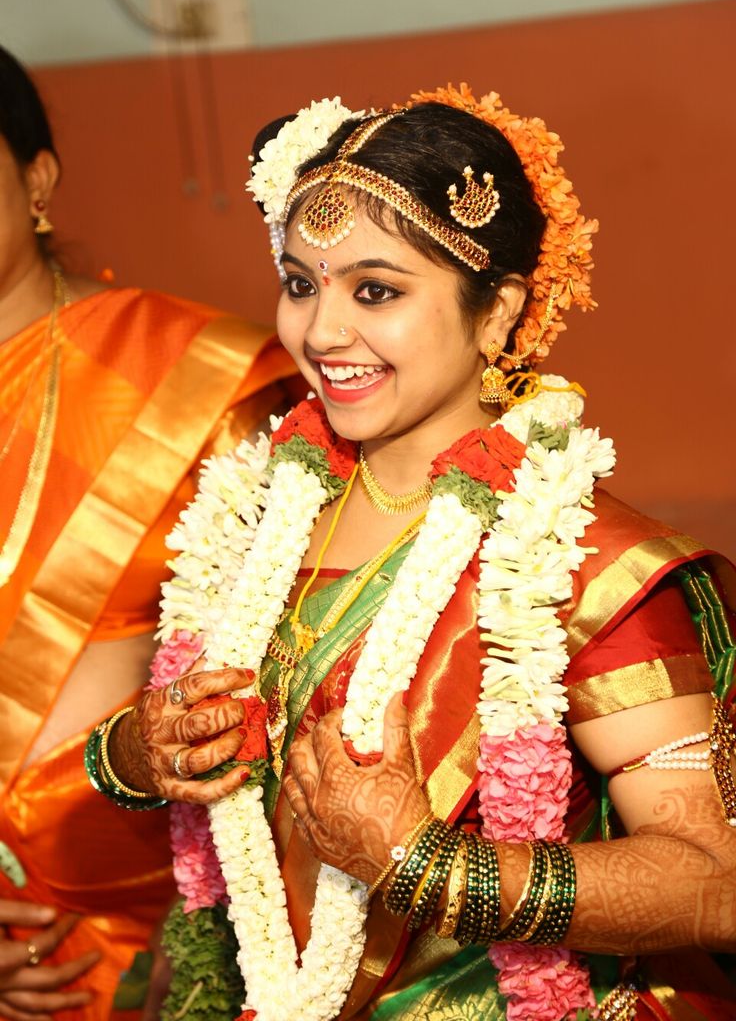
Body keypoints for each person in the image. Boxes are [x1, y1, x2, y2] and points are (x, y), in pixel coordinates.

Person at [100, 86, 735, 1021]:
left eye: (376, 290)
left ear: (497, 313)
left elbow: (711, 885)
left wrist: (426, 864)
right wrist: (135, 751)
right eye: (301, 283)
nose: (321, 332)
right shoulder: (251, 524)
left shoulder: (586, 561)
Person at [0, 44, 301, 1021]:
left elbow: (296, 667)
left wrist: (217, 926)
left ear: (36, 177)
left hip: (165, 913)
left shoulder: (194, 379)